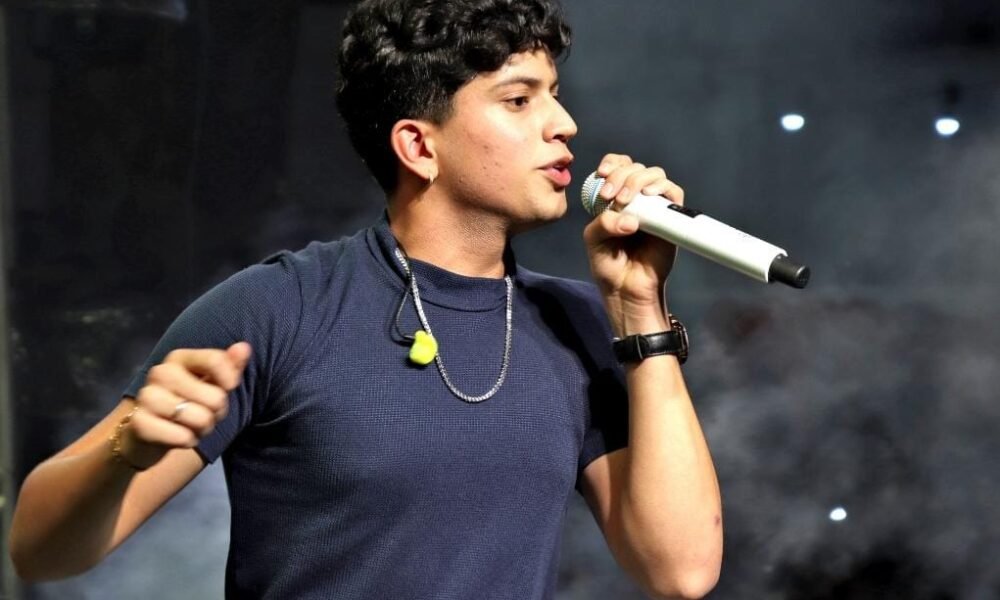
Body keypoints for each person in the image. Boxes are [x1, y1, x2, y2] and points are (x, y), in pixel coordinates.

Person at [9, 0, 723, 598]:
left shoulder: (576, 321)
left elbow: (681, 571)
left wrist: (640, 310)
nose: (563, 123)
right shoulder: (278, 308)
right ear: (418, 147)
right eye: (519, 99)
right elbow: (38, 552)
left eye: (554, 93)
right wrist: (125, 449)